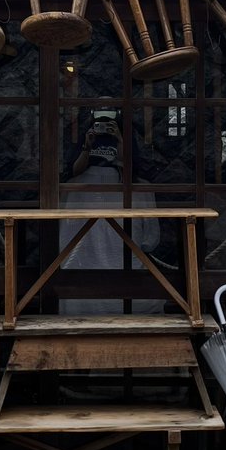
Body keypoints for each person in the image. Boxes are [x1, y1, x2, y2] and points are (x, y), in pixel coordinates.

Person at [59, 105, 162, 315]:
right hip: (130, 296)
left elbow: (60, 240)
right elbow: (150, 241)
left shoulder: (69, 189)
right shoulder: (140, 189)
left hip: (77, 296)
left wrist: (85, 149)